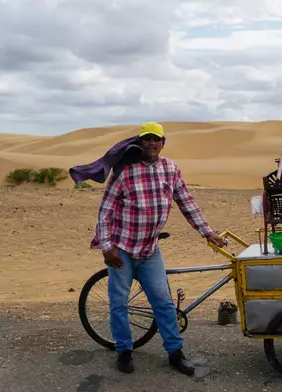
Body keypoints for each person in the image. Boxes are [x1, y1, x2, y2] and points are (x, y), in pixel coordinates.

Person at [90, 121, 225, 376]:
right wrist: (107, 247)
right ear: (139, 143)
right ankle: (124, 351)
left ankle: (175, 353)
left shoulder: (171, 169)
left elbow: (186, 202)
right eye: (146, 139)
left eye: (156, 139)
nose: (151, 143)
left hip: (150, 249)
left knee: (163, 302)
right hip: (122, 248)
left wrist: (206, 232)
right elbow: (105, 210)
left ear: (163, 143)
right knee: (119, 303)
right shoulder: (125, 171)